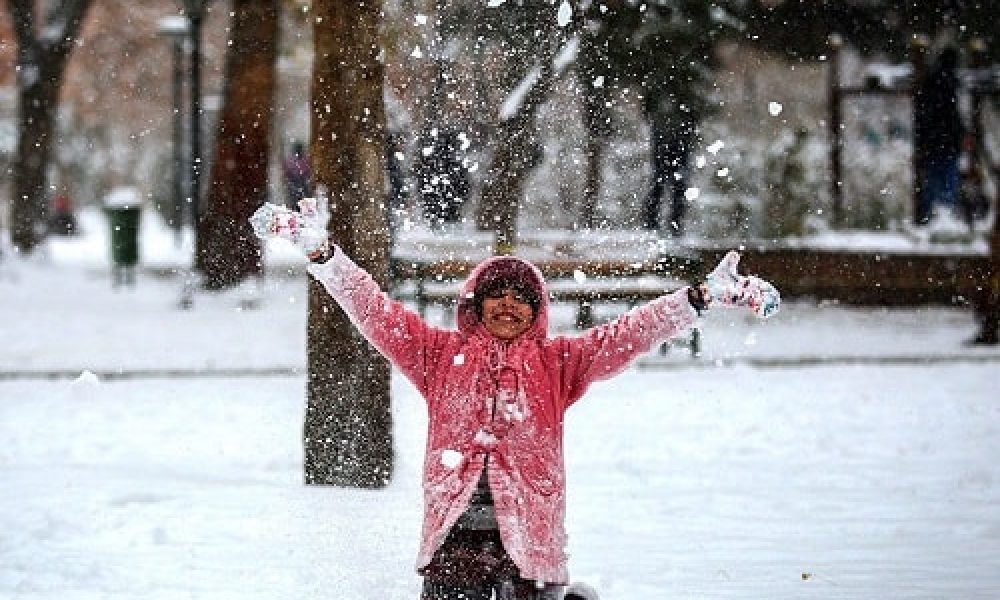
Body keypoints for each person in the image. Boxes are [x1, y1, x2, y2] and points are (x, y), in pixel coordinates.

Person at [250, 200, 780, 599]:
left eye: (520, 299)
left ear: (537, 311)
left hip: (528, 545)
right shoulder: (438, 355)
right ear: (475, 308)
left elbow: (630, 333)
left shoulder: (559, 364)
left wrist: (700, 297)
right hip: (453, 545)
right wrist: (324, 255)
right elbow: (372, 309)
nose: (507, 306)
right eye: (494, 298)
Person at [913, 46, 964, 224]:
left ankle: (932, 216)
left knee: (933, 180)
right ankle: (944, 218)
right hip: (946, 141)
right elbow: (952, 114)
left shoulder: (931, 81)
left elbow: (926, 114)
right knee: (947, 179)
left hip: (935, 141)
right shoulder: (949, 83)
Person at [643, 117, 697, 237]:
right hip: (666, 132)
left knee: (674, 184)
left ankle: (672, 225)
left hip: (678, 132)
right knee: (660, 183)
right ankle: (653, 224)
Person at [283, 141, 314, 208]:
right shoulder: (294, 160)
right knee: (297, 198)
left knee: (300, 198)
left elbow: (288, 171)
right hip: (297, 181)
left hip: (300, 182)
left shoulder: (293, 160)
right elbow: (288, 172)